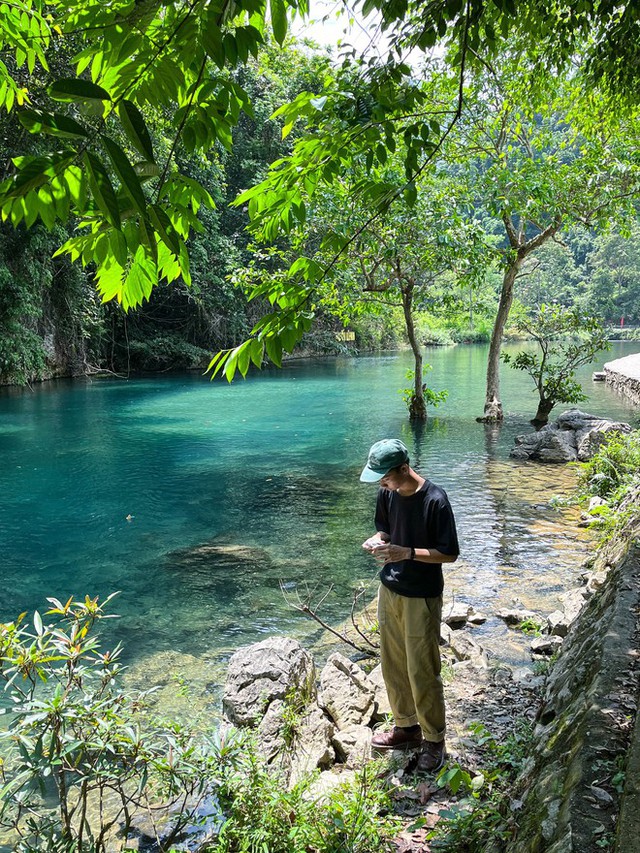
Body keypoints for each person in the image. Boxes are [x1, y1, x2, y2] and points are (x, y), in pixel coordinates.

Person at [360, 438, 459, 772]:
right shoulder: (387, 494)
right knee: (393, 663)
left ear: (404, 468)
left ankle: (434, 740)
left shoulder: (435, 500)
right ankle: (406, 728)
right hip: (390, 589)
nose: (383, 484)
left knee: (422, 669)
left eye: (386, 477)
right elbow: (385, 531)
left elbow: (449, 553)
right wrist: (378, 541)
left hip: (422, 594)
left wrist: (409, 553)